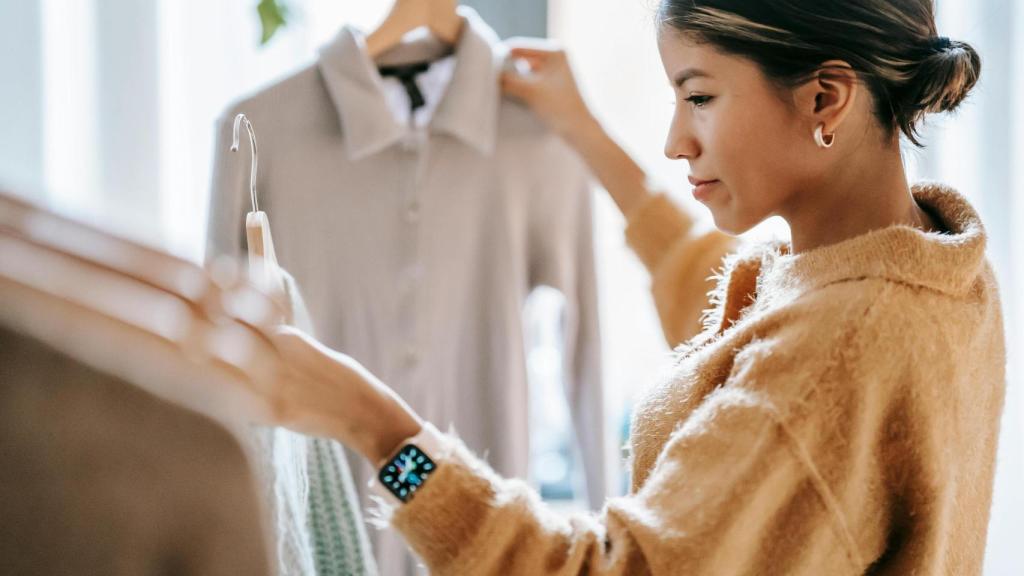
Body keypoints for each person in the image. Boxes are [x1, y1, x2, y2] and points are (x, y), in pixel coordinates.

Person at [247, 1, 1006, 573]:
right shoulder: (933, 269)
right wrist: (587, 135)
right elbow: (735, 328)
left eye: (700, 96)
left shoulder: (835, 349)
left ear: (825, 99)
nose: (676, 139)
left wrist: (377, 428)